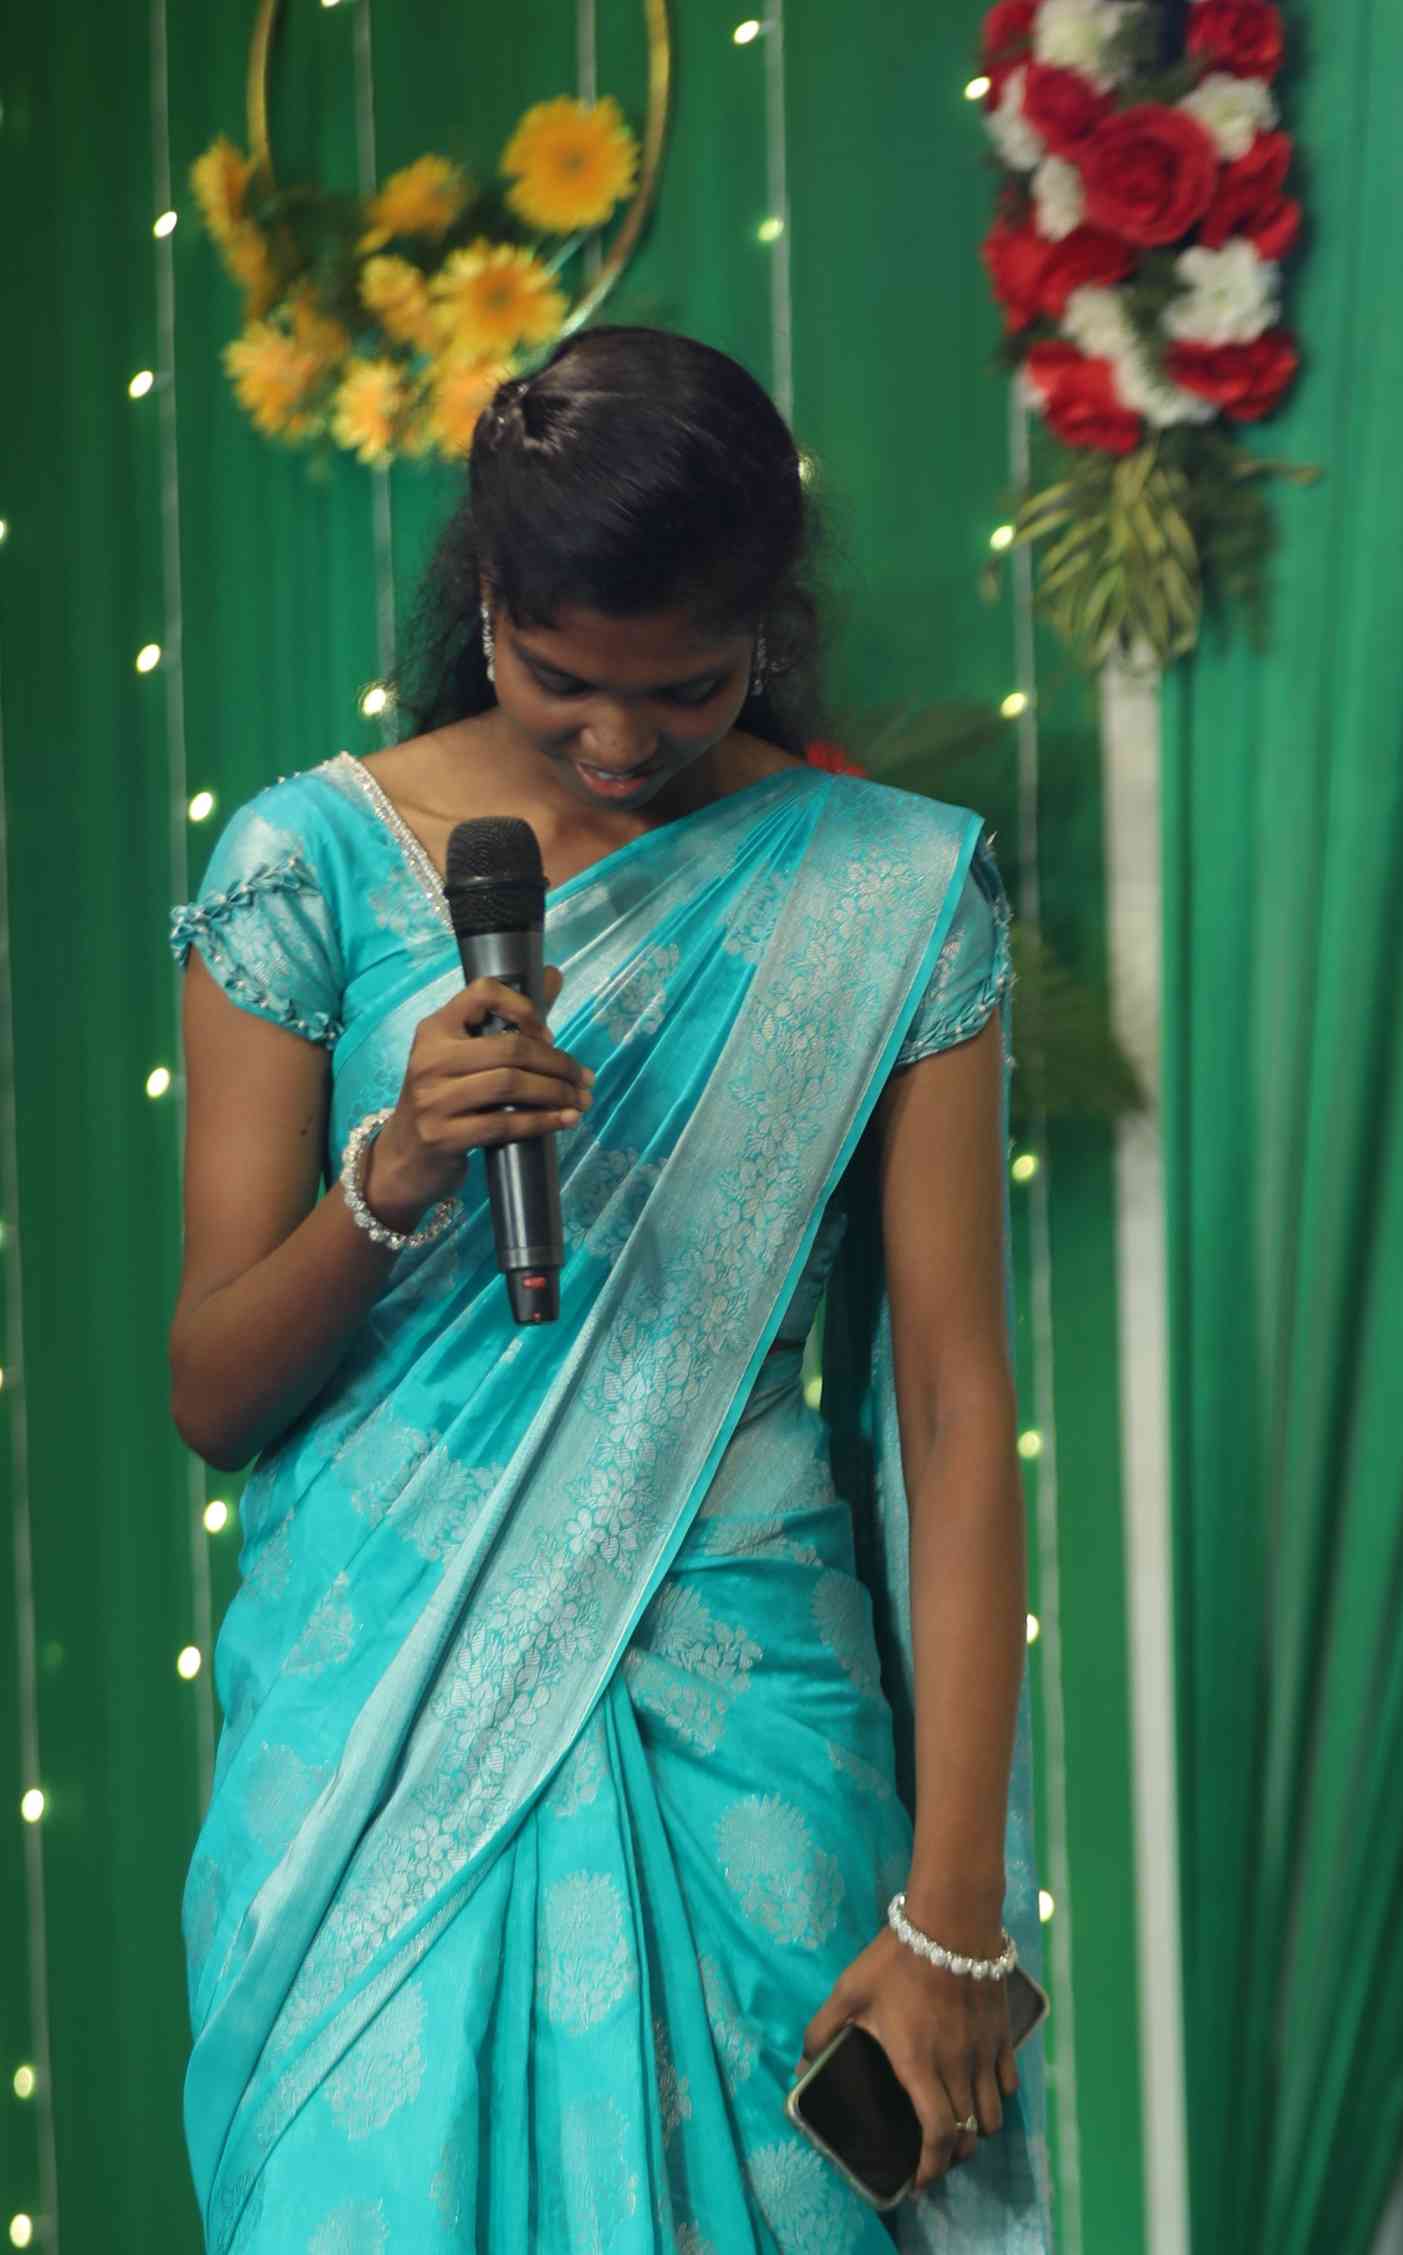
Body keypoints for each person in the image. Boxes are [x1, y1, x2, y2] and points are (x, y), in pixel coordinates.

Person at [169, 327, 1050, 2250]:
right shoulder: (309, 866)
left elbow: (955, 1408)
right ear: (487, 601)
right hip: (369, 1749)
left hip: (745, 1724)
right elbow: (213, 1392)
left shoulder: (886, 891)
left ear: (767, 626)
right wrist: (389, 1180)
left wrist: (955, 1908)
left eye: (687, 684)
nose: (622, 739)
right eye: (563, 678)